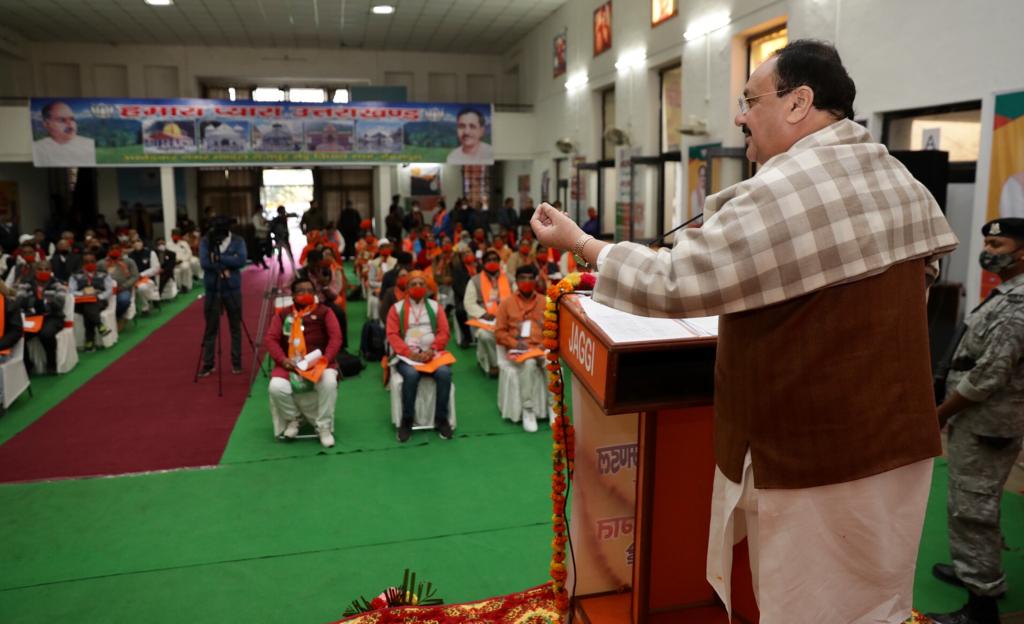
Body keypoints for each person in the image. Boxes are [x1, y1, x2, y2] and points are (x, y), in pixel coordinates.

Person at [530, 40, 958, 623]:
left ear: (798, 103)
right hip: (898, 439)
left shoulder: (792, 188)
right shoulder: (895, 177)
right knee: (879, 600)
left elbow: (676, 281)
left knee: (810, 608)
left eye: (749, 100)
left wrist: (582, 244)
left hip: (818, 457)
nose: (738, 117)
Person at [928, 217, 1024, 624]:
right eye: (988, 243)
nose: (989, 251)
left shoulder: (1018, 306)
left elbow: (987, 377)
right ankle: (978, 573)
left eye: (998, 245)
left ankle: (981, 606)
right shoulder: (1004, 294)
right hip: (978, 421)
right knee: (970, 502)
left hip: (987, 423)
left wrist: (940, 415)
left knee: (973, 509)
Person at [265, 275, 342, 449]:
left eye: (309, 290)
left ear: (315, 294)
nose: (305, 294)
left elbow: (336, 338)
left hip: (320, 363)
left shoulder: (325, 312)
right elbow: (271, 339)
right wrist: (282, 359)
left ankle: (323, 427)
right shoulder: (283, 314)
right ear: (292, 295)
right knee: (276, 387)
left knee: (329, 383)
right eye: (300, 291)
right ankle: (294, 419)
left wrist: (326, 359)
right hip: (290, 364)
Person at [385, 271, 454, 443]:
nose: (417, 287)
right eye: (413, 284)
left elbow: (444, 332)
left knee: (444, 374)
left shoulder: (435, 307)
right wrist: (410, 354)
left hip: (432, 354)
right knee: (411, 375)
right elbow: (392, 335)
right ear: (407, 288)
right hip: (407, 356)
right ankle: (406, 421)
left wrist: (433, 349)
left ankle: (441, 419)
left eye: (421, 284)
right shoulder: (396, 309)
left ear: (427, 287)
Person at [494, 264, 549, 432]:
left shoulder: (544, 301)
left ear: (535, 280)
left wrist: (545, 343)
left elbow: (554, 329)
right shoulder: (506, 303)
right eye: (522, 278)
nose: (526, 281)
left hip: (540, 347)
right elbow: (499, 332)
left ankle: (554, 407)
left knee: (552, 364)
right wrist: (515, 343)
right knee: (530, 364)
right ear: (516, 281)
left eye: (530, 278)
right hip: (519, 350)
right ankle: (528, 409)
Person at [198, 217, 247, 377]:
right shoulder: (207, 241)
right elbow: (204, 262)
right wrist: (224, 266)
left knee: (235, 327)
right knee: (211, 328)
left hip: (232, 289)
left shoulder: (238, 241)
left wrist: (219, 258)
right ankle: (208, 363)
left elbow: (241, 260)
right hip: (213, 289)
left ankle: (236, 362)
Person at [463, 249, 511, 377]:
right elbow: (469, 303)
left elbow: (517, 298)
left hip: (508, 319)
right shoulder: (475, 281)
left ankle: (511, 361)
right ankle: (494, 364)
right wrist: (484, 314)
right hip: (485, 321)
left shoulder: (509, 278)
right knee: (484, 335)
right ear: (483, 263)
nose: (492, 262)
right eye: (489, 260)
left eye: (495, 260)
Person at [16, 260, 67, 373]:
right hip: (31, 317)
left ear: (51, 271)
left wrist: (35, 303)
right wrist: (43, 302)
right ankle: (28, 365)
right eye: (40, 269)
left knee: (46, 333)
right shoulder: (26, 283)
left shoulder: (58, 284)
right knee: (18, 335)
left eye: (46, 269)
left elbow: (59, 303)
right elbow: (19, 301)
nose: (43, 271)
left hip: (53, 317)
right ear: (35, 271)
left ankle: (51, 364)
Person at [69, 252, 114, 352]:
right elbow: (71, 291)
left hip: (99, 301)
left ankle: (89, 340)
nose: (90, 264)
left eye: (92, 261)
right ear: (83, 263)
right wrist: (82, 294)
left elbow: (110, 290)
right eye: (86, 262)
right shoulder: (75, 275)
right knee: (88, 305)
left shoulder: (104, 274)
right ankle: (100, 326)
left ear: (96, 262)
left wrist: (99, 296)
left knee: (89, 308)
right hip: (80, 302)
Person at [32, 101, 96, 167]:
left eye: (72, 119)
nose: (70, 124)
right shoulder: (38, 148)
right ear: (46, 124)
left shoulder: (90, 144)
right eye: (62, 120)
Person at [102, 245, 140, 329]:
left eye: (117, 249)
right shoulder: (102, 263)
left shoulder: (129, 261)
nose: (114, 251)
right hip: (105, 290)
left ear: (121, 250)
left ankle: (118, 317)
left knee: (124, 300)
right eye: (112, 249)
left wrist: (123, 286)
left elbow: (135, 276)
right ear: (109, 250)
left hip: (122, 289)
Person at [269, 206, 298, 274]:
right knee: (281, 254)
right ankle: (283, 267)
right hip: (280, 239)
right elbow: (272, 229)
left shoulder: (282, 218)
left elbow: (295, 214)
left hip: (283, 238)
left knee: (285, 253)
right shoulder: (278, 219)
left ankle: (291, 268)